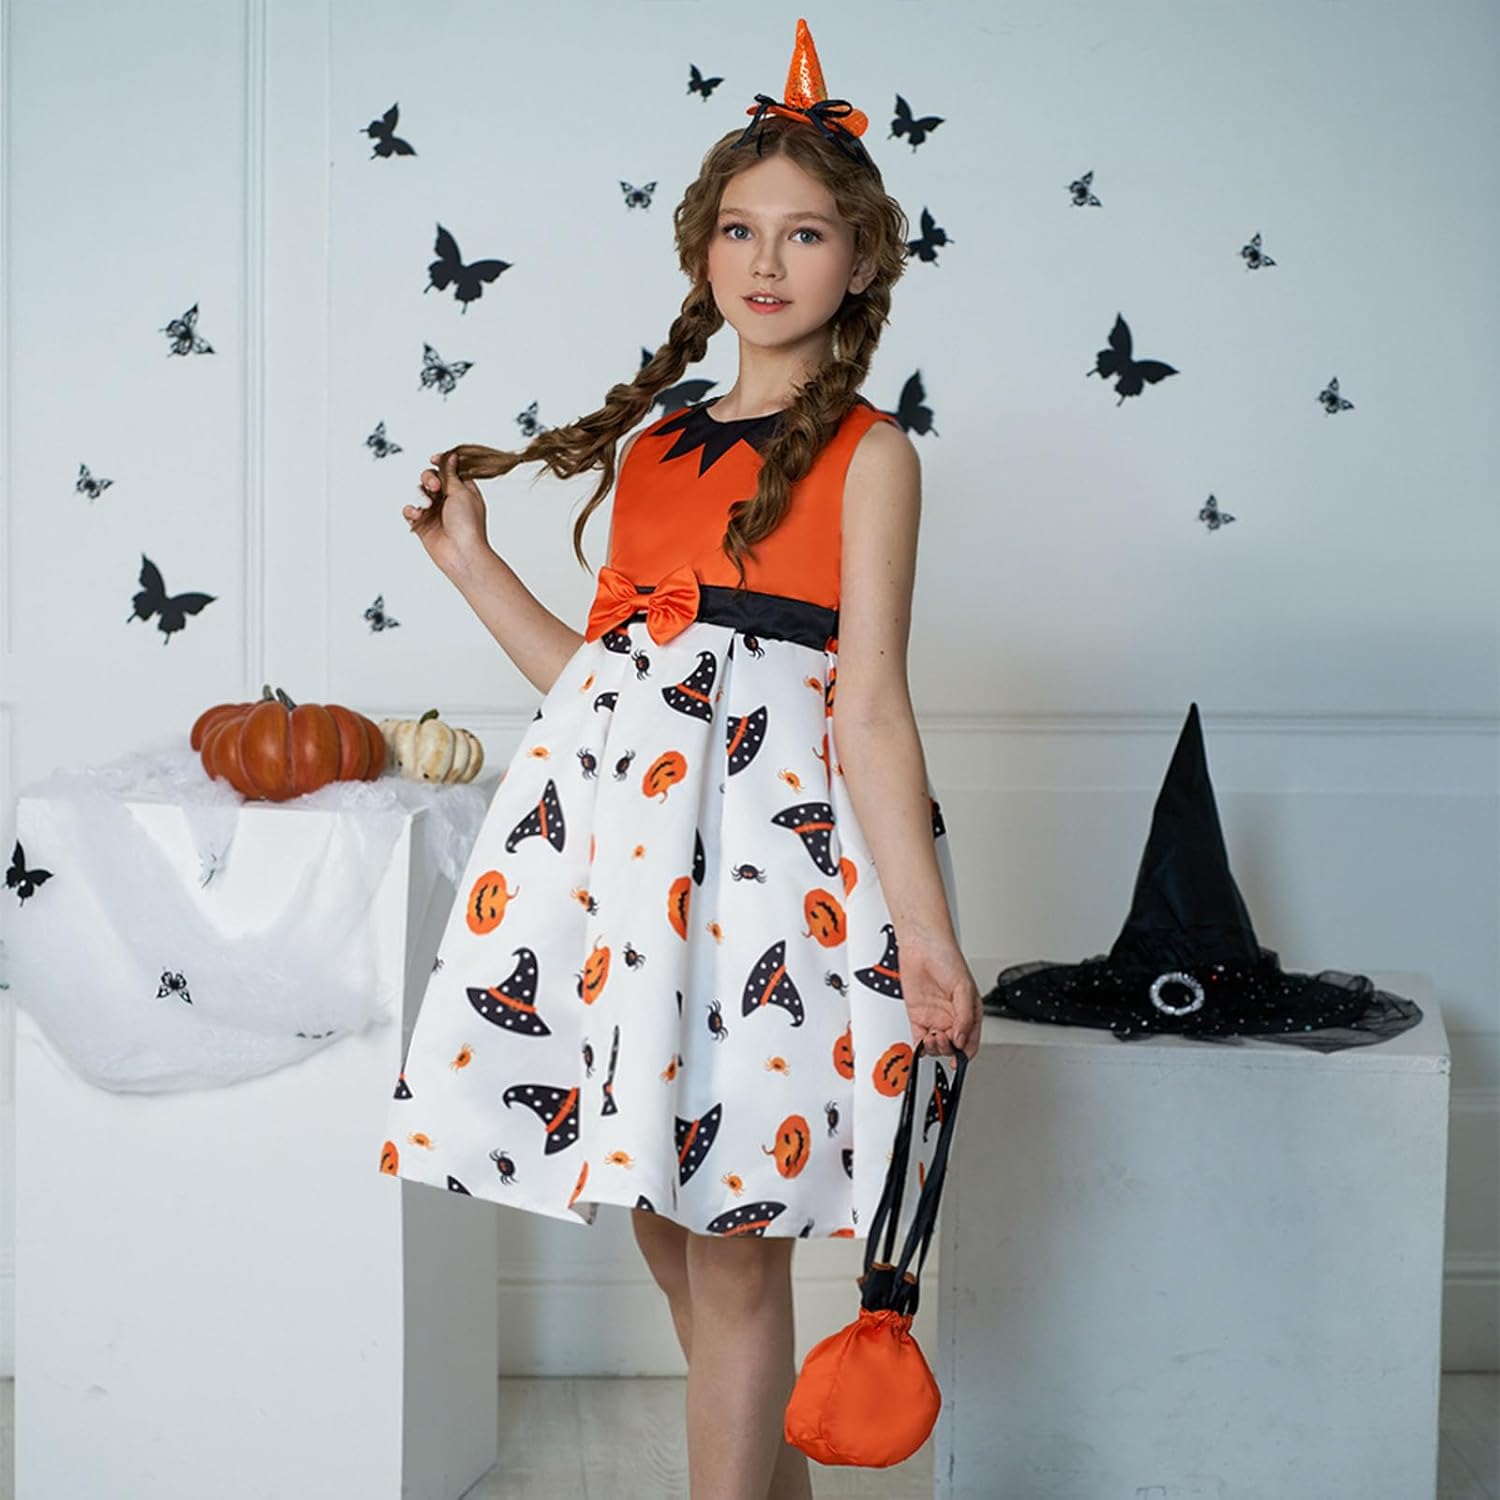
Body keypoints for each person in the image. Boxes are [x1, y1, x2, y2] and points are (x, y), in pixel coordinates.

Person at [380, 19, 982, 1499]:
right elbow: (600, 696)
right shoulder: (657, 448)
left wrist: (926, 937)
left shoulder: (872, 455)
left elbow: (873, 705)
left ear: (861, 262)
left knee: (731, 1246)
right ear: (702, 251)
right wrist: (471, 565)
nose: (765, 261)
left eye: (805, 233)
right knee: (667, 1224)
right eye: (738, 229)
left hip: (767, 886)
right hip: (633, 884)